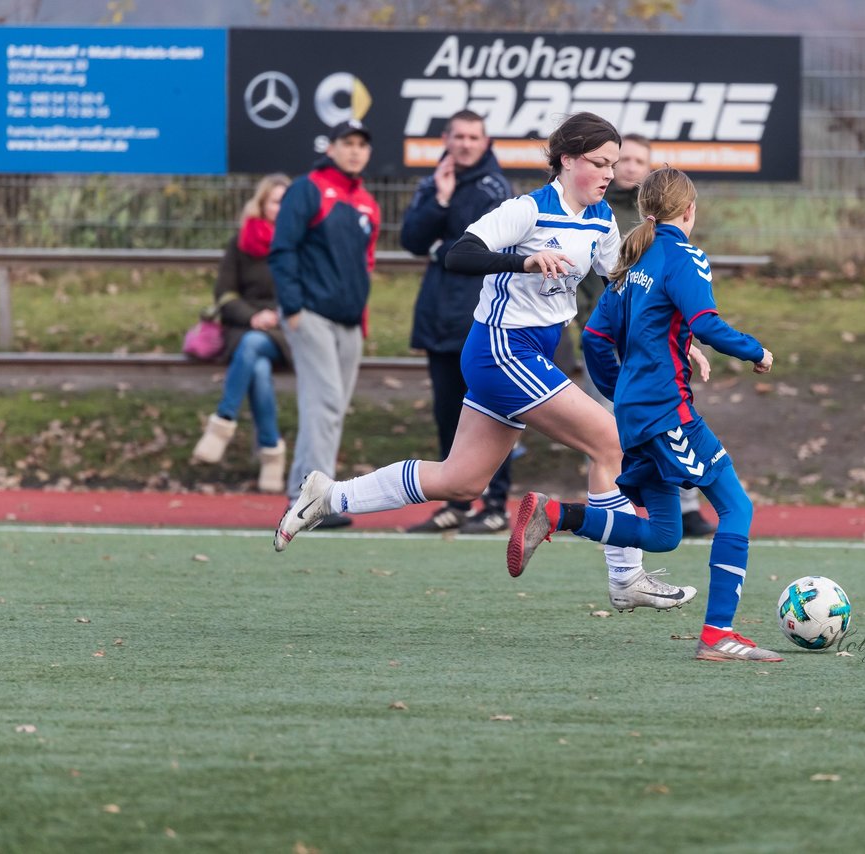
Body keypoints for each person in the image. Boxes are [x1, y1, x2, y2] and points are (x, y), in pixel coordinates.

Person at [274, 112, 695, 615]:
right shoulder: (526, 210)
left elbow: (622, 290)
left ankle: (328, 497)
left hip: (530, 354)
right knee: (610, 441)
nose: (609, 173)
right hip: (501, 349)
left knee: (462, 480)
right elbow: (460, 254)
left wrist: (675, 337)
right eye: (599, 163)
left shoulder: (601, 221)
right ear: (566, 160)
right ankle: (627, 578)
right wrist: (524, 260)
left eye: (613, 164)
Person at [506, 166, 783, 663]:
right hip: (666, 413)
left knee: (663, 533)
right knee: (737, 509)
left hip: (638, 414)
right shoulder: (684, 257)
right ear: (690, 210)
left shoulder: (631, 262)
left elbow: (594, 338)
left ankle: (558, 515)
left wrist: (621, 393)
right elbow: (707, 324)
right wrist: (757, 351)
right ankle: (718, 634)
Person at [556, 133, 717, 539]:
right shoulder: (596, 211)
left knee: (669, 420)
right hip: (605, 336)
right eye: (620, 160)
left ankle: (685, 505)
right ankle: (613, 516)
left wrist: (687, 338)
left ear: (650, 169)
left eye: (637, 161)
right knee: (613, 432)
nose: (627, 167)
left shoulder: (660, 220)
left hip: (652, 344)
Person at [401, 110, 516, 535]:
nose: (466, 143)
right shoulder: (434, 182)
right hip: (438, 317)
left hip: (481, 318)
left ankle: (496, 503)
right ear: (446, 138)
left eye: (474, 136)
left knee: (492, 412)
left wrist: (442, 248)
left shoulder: (495, 188)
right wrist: (441, 200)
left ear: (486, 142)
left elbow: (476, 251)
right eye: (458, 136)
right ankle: (455, 502)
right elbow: (412, 239)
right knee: (447, 414)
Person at [269, 119, 380, 529]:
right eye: (346, 143)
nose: (354, 150)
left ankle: (305, 496)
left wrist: (363, 321)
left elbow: (366, 265)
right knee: (326, 403)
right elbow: (282, 249)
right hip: (311, 313)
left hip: (349, 322)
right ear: (330, 148)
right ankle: (311, 500)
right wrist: (292, 307)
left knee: (331, 407)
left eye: (361, 144)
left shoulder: (367, 201)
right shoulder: (308, 188)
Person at [191, 173, 293, 493]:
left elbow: (307, 291)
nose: (282, 208)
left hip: (286, 331)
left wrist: (275, 316)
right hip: (245, 327)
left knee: (254, 349)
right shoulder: (241, 242)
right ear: (261, 205)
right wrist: (252, 317)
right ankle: (271, 453)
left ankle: (221, 424)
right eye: (276, 201)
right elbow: (224, 294)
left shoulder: (301, 242)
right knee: (257, 364)